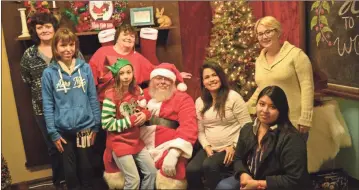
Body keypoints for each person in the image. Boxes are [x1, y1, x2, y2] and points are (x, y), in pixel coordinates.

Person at [216, 86, 311, 190]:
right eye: (262, 104)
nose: (265, 110)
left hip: (275, 185)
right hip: (250, 178)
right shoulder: (247, 129)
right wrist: (243, 174)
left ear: (281, 110)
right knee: (223, 186)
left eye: (272, 107)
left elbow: (295, 179)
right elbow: (238, 158)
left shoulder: (292, 138)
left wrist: (259, 184)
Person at [42, 28, 101, 190]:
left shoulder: (85, 68)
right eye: (63, 45)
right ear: (55, 48)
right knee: (69, 171)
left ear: (76, 46)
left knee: (86, 167)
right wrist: (53, 133)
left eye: (71, 45)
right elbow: (47, 104)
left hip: (85, 127)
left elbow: (92, 97)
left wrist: (96, 125)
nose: (68, 49)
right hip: (63, 130)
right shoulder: (49, 73)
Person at [186, 62, 252, 190]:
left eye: (214, 75)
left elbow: (247, 125)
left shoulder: (233, 97)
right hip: (210, 148)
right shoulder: (200, 102)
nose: (211, 79)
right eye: (207, 77)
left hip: (231, 148)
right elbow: (200, 131)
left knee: (210, 165)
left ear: (220, 77)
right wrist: (206, 146)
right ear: (203, 82)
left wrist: (234, 146)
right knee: (192, 169)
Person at [247, 16, 314, 137]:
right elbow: (262, 87)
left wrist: (306, 118)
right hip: (269, 122)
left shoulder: (296, 55)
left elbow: (307, 87)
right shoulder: (259, 61)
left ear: (278, 32)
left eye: (268, 31)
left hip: (293, 122)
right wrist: (247, 107)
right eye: (260, 34)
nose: (264, 36)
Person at [19, 12, 65, 189]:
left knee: (71, 147)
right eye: (40, 27)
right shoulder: (29, 55)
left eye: (47, 26)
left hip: (68, 107)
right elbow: (26, 79)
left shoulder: (64, 49)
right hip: (42, 111)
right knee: (54, 148)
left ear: (54, 28)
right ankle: (59, 181)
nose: (44, 30)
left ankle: (74, 180)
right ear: (35, 30)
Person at [139, 63, 198, 189]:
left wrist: (174, 152)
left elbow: (189, 127)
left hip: (168, 147)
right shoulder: (141, 95)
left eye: (167, 79)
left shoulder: (183, 99)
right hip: (140, 145)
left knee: (172, 173)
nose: (163, 82)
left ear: (173, 83)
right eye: (159, 78)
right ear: (152, 80)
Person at [101, 58, 157, 189]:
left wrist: (145, 114)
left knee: (152, 172)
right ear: (116, 76)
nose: (126, 76)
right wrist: (130, 121)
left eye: (128, 72)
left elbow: (143, 108)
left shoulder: (137, 90)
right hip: (119, 142)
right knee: (133, 180)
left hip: (135, 140)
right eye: (122, 73)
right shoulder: (111, 95)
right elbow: (106, 124)